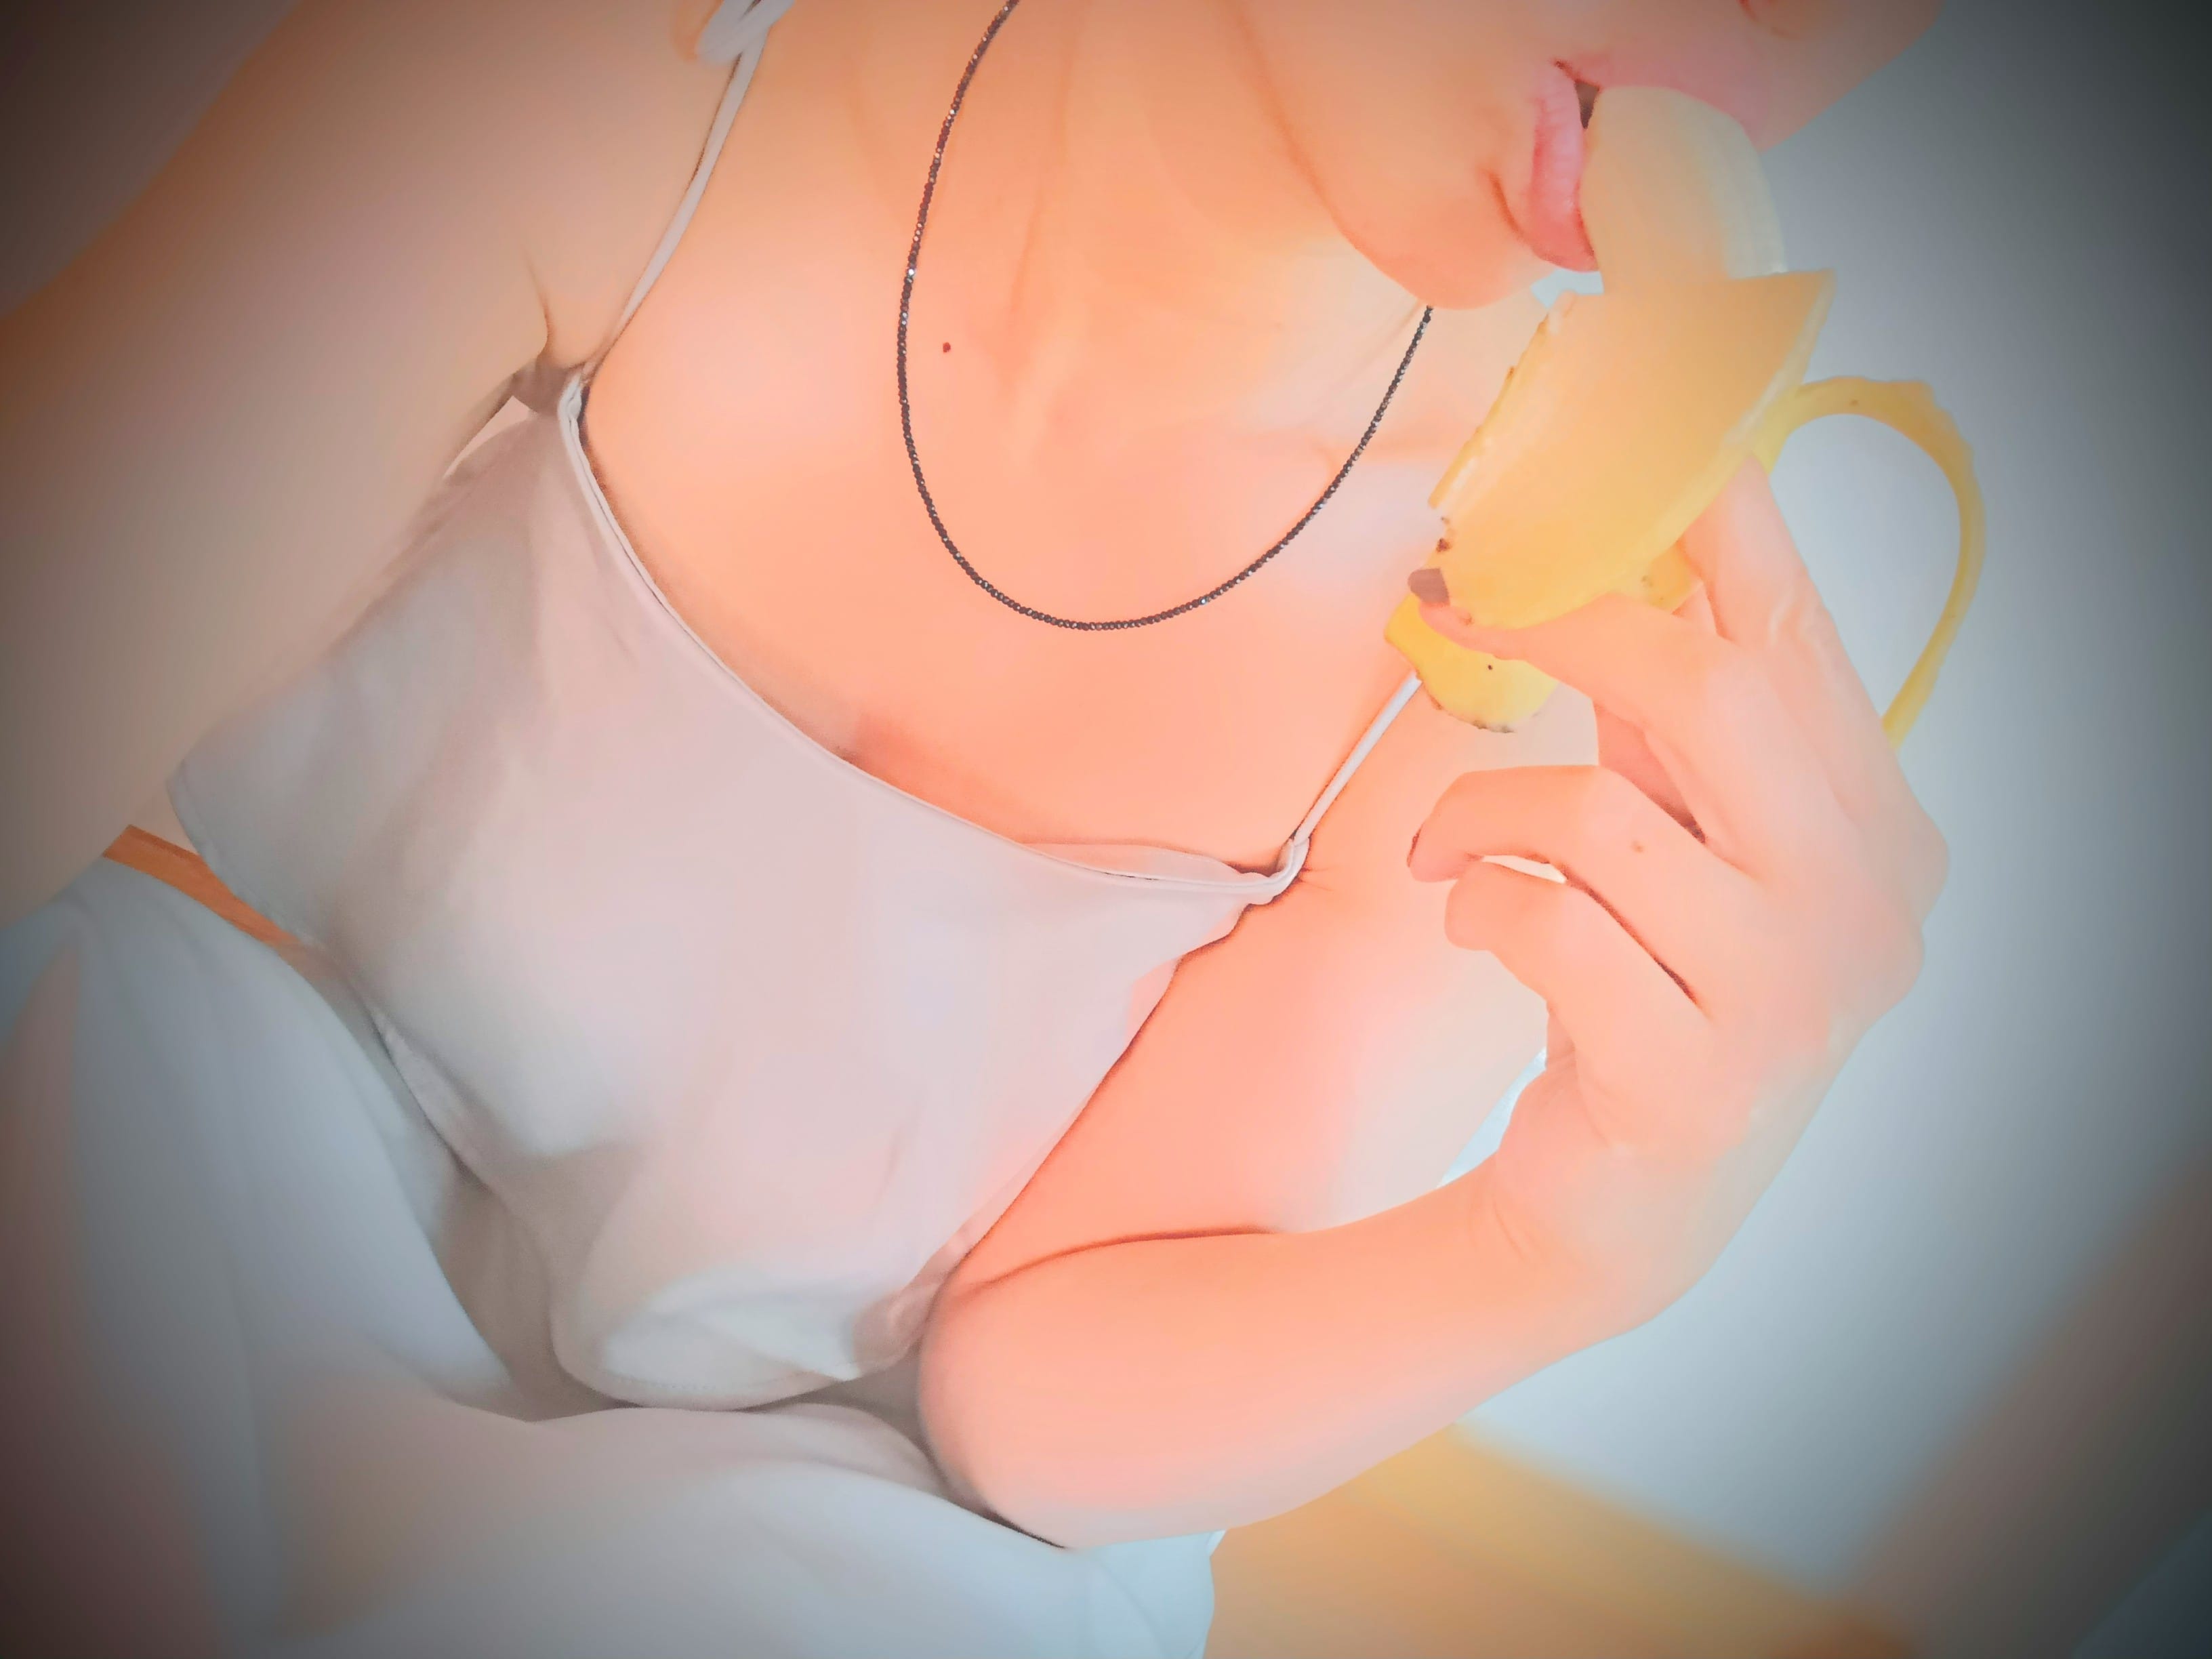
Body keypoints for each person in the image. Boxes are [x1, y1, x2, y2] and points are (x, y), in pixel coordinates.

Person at [0, 0, 1948, 1652]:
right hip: (177, 1176)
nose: (1757, 42)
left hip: (809, 1535)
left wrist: (1566, 1246)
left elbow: (1027, 1414)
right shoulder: (623, 76)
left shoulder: (1513, 615)